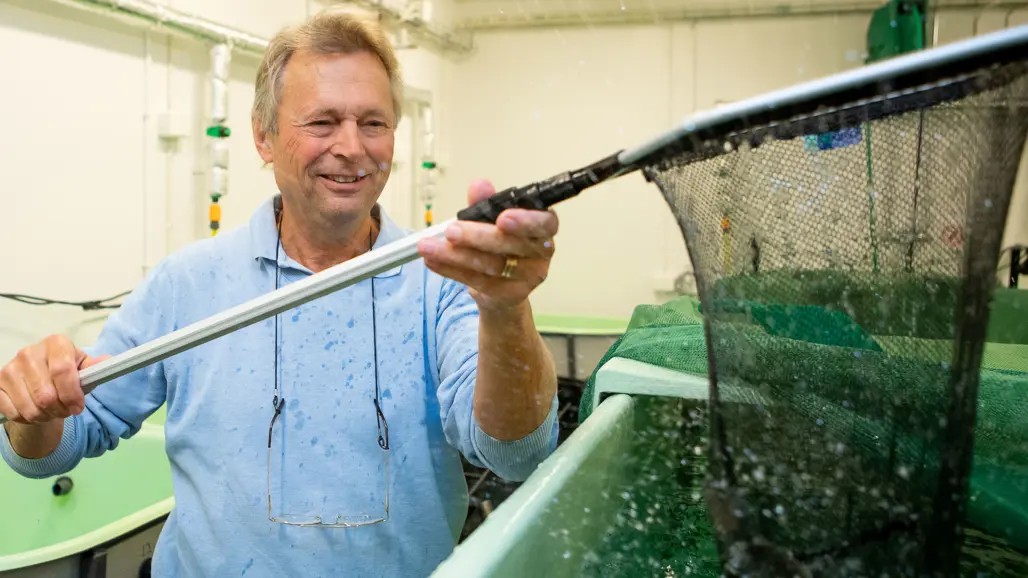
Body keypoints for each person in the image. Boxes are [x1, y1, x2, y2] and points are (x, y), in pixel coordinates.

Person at [0, 9, 560, 577]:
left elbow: (515, 454)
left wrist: (507, 309)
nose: (351, 147)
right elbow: (59, 444)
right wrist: (33, 409)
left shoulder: (441, 280)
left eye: (373, 123)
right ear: (263, 136)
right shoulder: (186, 284)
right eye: (321, 122)